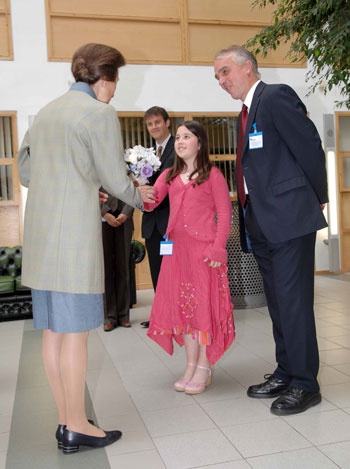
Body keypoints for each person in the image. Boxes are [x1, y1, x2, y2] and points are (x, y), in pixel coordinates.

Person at [17, 43, 155, 454]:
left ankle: (66, 419)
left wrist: (77, 187)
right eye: (116, 80)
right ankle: (77, 425)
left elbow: (27, 171)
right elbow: (115, 175)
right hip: (73, 241)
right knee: (76, 334)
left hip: (41, 238)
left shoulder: (46, 112)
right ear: (104, 77)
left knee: (54, 333)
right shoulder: (98, 113)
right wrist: (139, 195)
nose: (115, 90)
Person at [214, 45, 328, 415]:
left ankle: (305, 384)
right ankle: (286, 370)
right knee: (278, 303)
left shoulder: (275, 96)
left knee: (294, 303)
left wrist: (319, 197)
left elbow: (309, 145)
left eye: (225, 71)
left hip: (290, 217)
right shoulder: (244, 114)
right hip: (261, 221)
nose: (221, 81)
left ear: (248, 67)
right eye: (217, 76)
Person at [145, 120, 235, 394]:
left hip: (204, 252)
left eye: (186, 137)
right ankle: (191, 363)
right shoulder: (168, 175)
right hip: (177, 252)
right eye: (178, 138)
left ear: (199, 143)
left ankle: (204, 366)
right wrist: (139, 181)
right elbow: (150, 203)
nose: (180, 141)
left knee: (203, 308)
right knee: (185, 308)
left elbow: (225, 215)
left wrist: (218, 248)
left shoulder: (213, 176)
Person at [140, 106, 175, 328]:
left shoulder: (177, 147)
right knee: (157, 270)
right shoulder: (147, 154)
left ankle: (176, 316)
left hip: (170, 220)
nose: (154, 127)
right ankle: (161, 315)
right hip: (151, 222)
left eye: (157, 122)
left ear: (167, 122)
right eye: (150, 124)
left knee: (173, 271)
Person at [101, 188, 134, 331]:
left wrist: (126, 213)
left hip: (124, 218)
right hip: (102, 218)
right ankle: (109, 316)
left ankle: (123, 315)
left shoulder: (130, 165)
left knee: (123, 267)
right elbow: (89, 188)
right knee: (106, 268)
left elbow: (135, 189)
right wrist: (104, 213)